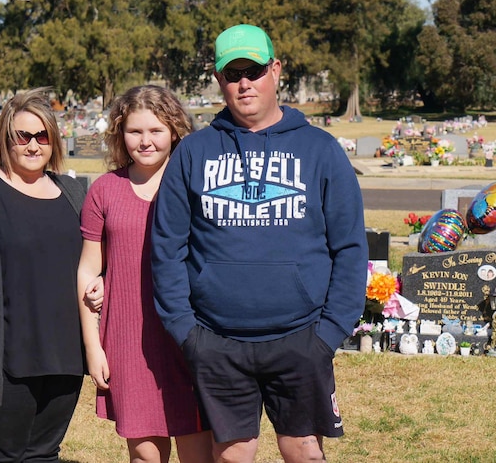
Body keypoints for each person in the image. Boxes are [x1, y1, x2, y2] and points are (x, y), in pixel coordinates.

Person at [151, 24, 368, 462]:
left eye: (253, 70)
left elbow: (349, 248)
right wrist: (187, 332)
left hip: (301, 336)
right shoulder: (193, 153)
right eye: (233, 73)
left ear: (275, 70)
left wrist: (328, 333)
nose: (244, 82)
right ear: (219, 80)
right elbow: (167, 247)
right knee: (232, 454)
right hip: (217, 340)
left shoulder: (320, 150)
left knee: (304, 451)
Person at [0, 88, 95, 461]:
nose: (32, 145)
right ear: (6, 139)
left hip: (64, 356)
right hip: (6, 361)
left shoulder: (72, 192)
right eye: (21, 136)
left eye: (41, 136)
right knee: (3, 454)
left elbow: (94, 260)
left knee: (44, 453)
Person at [77, 85, 212, 463]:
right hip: (129, 340)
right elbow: (89, 268)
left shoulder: (195, 184)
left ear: (174, 130)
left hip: (190, 336)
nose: (145, 141)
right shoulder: (105, 190)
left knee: (198, 454)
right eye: (135, 131)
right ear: (120, 134)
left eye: (156, 130)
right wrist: (93, 346)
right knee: (145, 457)